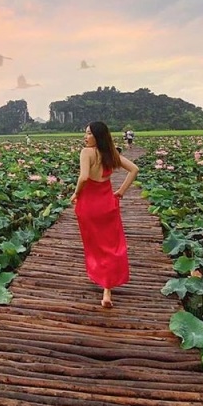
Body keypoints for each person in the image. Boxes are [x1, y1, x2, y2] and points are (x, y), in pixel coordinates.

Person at [70, 122, 139, 308]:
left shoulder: (87, 152)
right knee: (111, 245)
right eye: (85, 133)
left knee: (94, 245)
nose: (85, 137)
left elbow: (84, 177)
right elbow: (134, 169)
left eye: (89, 134)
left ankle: (100, 278)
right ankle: (107, 290)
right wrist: (121, 192)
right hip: (108, 204)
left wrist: (76, 193)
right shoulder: (110, 153)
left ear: (97, 136)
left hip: (88, 206)